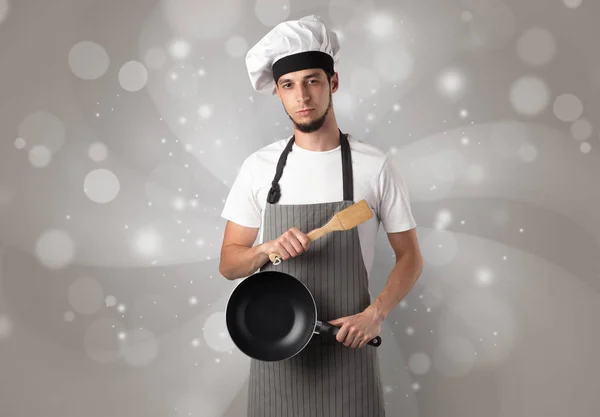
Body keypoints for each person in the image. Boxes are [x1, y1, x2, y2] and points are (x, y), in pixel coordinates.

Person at [219, 15, 424, 417]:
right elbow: (229, 264)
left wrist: (375, 314)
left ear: (333, 81)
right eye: (288, 85)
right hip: (278, 355)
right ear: (278, 93)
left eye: (312, 80)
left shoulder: (375, 166)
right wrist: (267, 249)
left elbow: (411, 257)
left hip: (349, 347)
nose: (302, 96)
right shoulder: (259, 168)